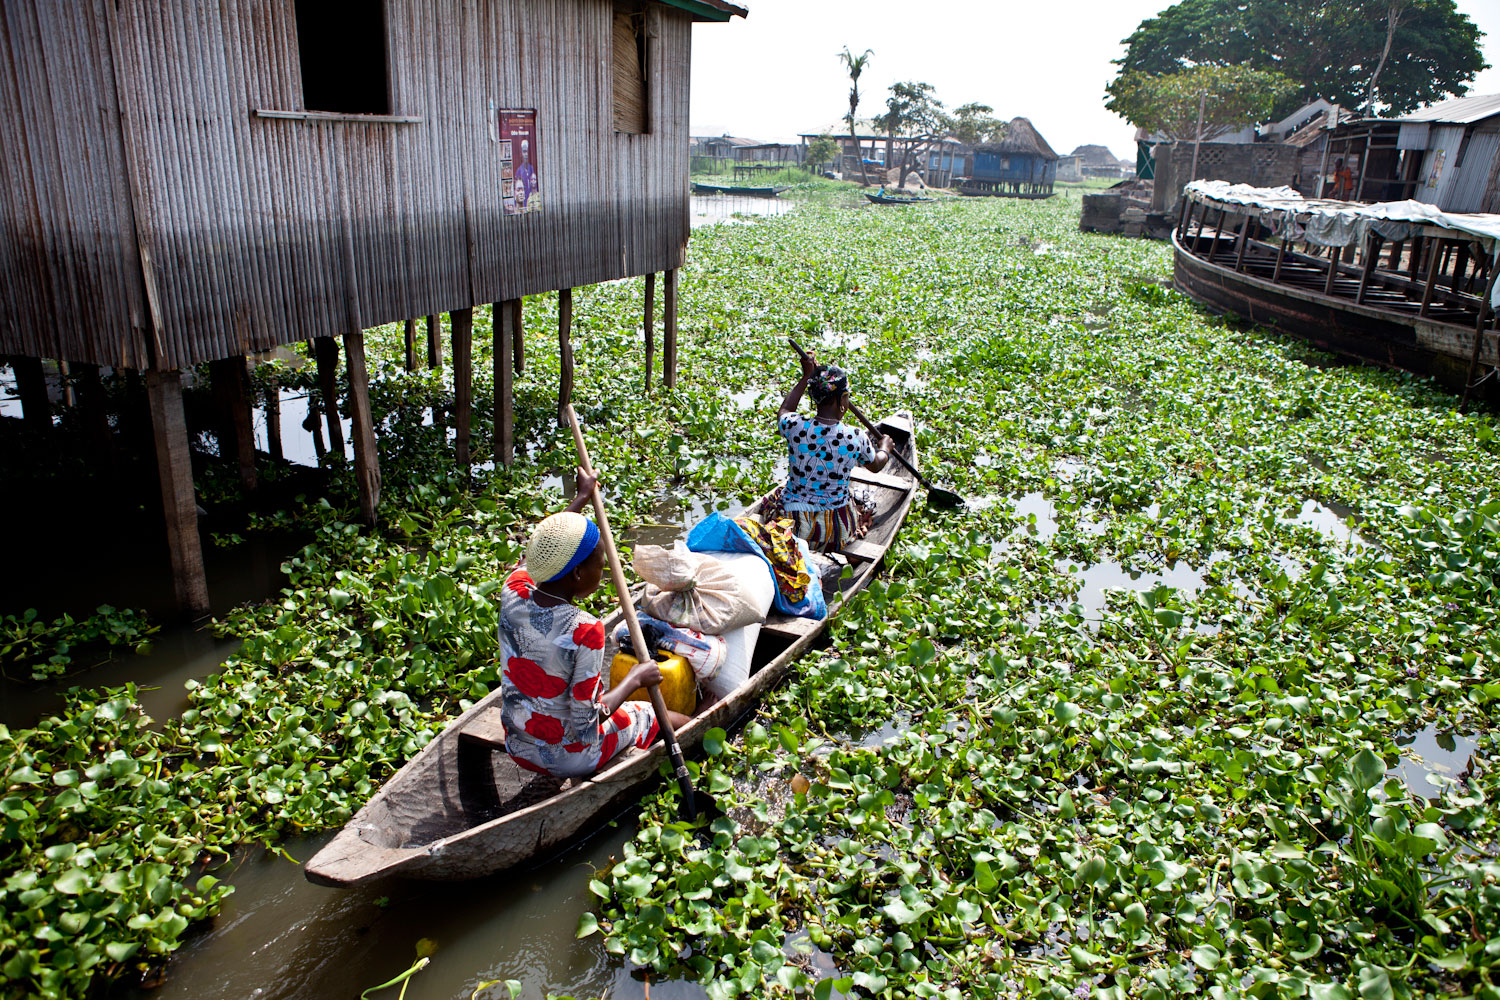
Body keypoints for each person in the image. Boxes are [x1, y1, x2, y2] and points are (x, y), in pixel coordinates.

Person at [497, 469, 690, 778]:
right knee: (646, 712)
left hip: (517, 744)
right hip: (569, 758)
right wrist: (635, 680)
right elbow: (587, 722)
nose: (603, 574)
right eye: (600, 566)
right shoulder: (583, 629)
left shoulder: (513, 590)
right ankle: (703, 727)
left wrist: (581, 499)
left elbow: (542, 551)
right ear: (576, 574)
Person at [764, 350, 894, 551]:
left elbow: (785, 410)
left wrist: (806, 376)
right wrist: (885, 448)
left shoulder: (794, 426)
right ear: (843, 400)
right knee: (852, 501)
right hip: (837, 527)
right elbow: (876, 465)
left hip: (794, 525)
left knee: (776, 498)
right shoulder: (856, 437)